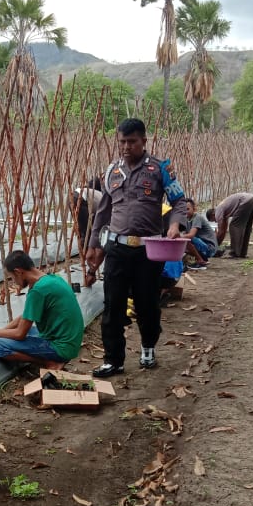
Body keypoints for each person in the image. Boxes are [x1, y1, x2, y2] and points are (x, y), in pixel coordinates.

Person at [85, 118, 187, 376]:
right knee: (113, 305)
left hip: (148, 251)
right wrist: (93, 244)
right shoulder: (112, 172)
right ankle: (113, 359)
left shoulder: (160, 169)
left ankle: (148, 346)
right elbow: (103, 211)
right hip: (117, 248)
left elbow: (179, 202)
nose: (126, 147)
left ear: (144, 141)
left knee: (147, 303)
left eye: (132, 142)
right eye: (122, 142)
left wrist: (175, 226)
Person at [0, 250, 84, 370]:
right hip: (70, 342)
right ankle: (53, 357)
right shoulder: (51, 279)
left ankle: (48, 361)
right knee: (11, 335)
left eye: (12, 277)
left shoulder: (37, 291)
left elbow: (19, 334)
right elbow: (24, 317)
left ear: (18, 272)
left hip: (61, 348)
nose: (14, 282)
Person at [207, 192, 253, 258]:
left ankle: (234, 252)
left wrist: (215, 245)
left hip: (245, 201)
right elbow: (223, 231)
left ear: (212, 215)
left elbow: (221, 231)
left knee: (234, 226)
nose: (216, 221)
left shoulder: (217, 211)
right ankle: (242, 253)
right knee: (246, 227)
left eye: (214, 220)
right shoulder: (223, 210)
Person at [181, 198, 218, 269]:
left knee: (186, 239)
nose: (185, 211)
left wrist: (178, 236)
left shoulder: (197, 218)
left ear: (194, 209)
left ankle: (200, 260)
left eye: (187, 209)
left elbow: (191, 235)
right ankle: (203, 259)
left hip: (210, 248)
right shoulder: (187, 220)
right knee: (182, 244)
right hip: (203, 245)